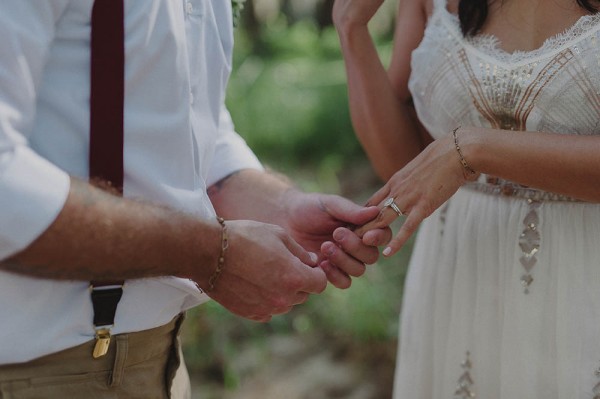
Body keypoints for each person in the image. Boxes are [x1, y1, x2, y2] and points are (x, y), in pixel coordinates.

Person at [0, 1, 391, 398]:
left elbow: (193, 125)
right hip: (34, 373)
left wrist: (282, 207)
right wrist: (210, 254)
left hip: (163, 361)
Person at [333, 0, 600, 397]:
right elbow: (405, 163)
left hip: (584, 279)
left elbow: (455, 154)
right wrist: (351, 28)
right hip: (457, 272)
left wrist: (474, 149)